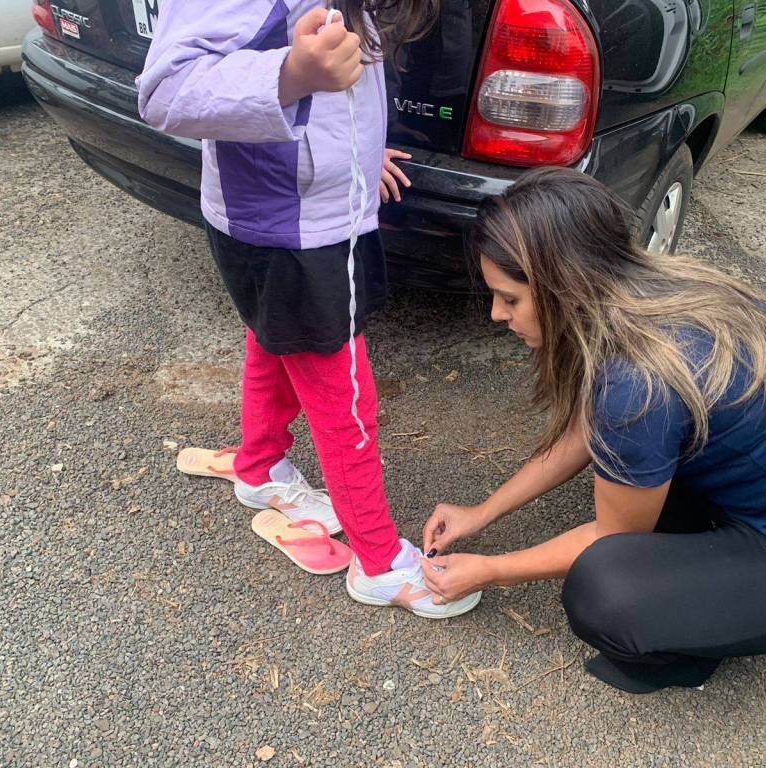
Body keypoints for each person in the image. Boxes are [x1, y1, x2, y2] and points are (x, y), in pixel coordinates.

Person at [420, 167, 766, 690]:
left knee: (602, 588)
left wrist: (491, 569)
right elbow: (589, 431)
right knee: (628, 473)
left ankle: (684, 652)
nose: (496, 314)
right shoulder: (657, 289)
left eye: (510, 298)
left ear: (565, 285)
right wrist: (482, 512)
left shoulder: (637, 383)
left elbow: (612, 537)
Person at [137, 0, 479, 618]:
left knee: (273, 337)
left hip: (309, 212)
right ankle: (378, 564)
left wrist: (362, 150)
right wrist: (290, 74)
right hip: (288, 227)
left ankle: (259, 467)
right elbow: (165, 91)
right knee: (344, 396)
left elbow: (339, 90)